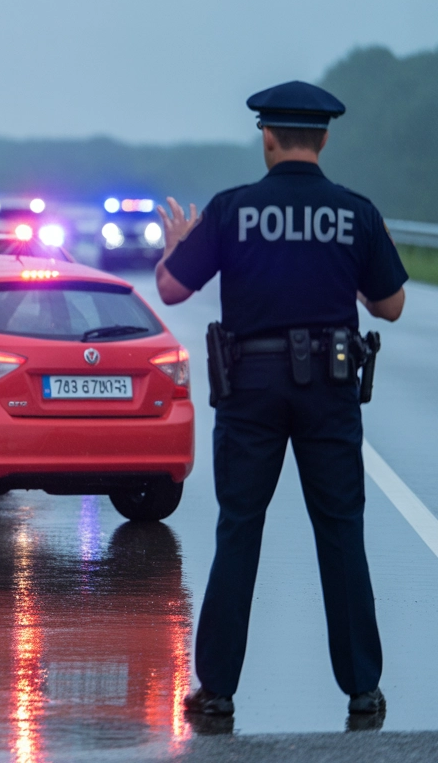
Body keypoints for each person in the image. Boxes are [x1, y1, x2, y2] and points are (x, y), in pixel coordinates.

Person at [156, 81, 407, 720]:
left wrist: (176, 244)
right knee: (341, 531)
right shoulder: (355, 212)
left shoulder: (233, 209)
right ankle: (363, 688)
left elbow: (172, 289)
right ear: (323, 138)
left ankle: (216, 691)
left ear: (266, 136)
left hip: (251, 391)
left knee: (239, 529)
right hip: (330, 389)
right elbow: (393, 305)